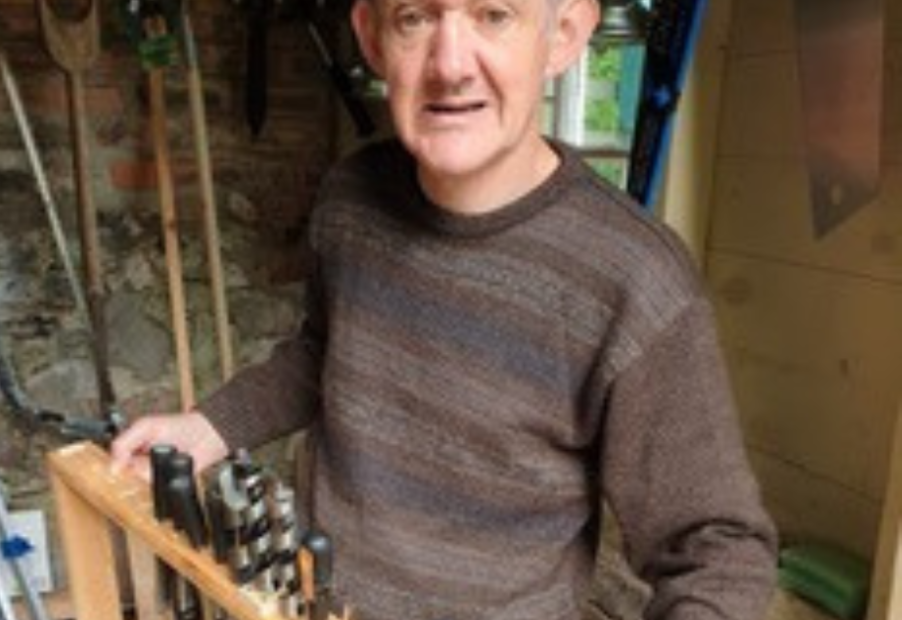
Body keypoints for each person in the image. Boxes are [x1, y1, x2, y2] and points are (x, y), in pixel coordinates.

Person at [111, 0, 779, 616]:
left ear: (565, 34)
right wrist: (207, 427)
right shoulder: (351, 198)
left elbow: (717, 552)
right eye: (414, 17)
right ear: (372, 37)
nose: (451, 65)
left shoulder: (636, 282)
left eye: (494, 14)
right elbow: (325, 354)